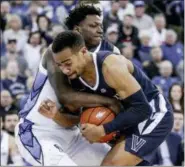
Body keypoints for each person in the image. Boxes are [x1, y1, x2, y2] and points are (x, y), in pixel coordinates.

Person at [15, 5, 121, 166]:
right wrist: (110, 102)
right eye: (93, 26)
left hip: (73, 134)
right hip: (38, 132)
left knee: (119, 162)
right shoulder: (56, 51)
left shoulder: (107, 56)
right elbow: (67, 97)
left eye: (101, 26)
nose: (99, 30)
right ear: (78, 30)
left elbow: (75, 118)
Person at [51, 31, 174, 166]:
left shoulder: (111, 66)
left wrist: (102, 129)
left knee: (111, 164)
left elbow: (142, 109)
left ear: (84, 51)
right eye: (60, 65)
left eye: (68, 63)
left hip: (154, 112)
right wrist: (56, 115)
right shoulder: (74, 78)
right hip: (127, 116)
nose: (65, 70)